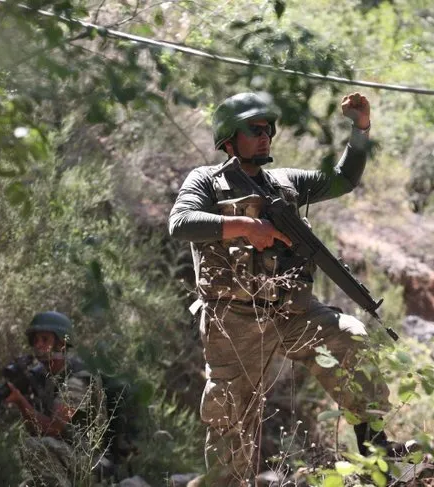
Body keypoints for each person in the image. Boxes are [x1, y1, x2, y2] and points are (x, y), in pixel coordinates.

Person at [169, 92, 406, 486]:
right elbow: (181, 224)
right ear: (229, 139)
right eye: (255, 130)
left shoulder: (285, 182)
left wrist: (361, 128)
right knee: (231, 422)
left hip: (291, 311)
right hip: (235, 321)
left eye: (269, 129)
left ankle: (376, 454)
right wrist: (246, 227)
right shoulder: (206, 181)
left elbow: (343, 179)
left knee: (351, 339)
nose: (266, 137)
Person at [4, 311, 107, 487]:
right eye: (35, 340)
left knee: (34, 446)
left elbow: (54, 429)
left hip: (91, 463)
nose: (38, 345)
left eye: (45, 339)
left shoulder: (78, 378)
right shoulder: (47, 378)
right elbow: (35, 429)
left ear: (61, 343)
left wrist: (21, 402)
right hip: (66, 456)